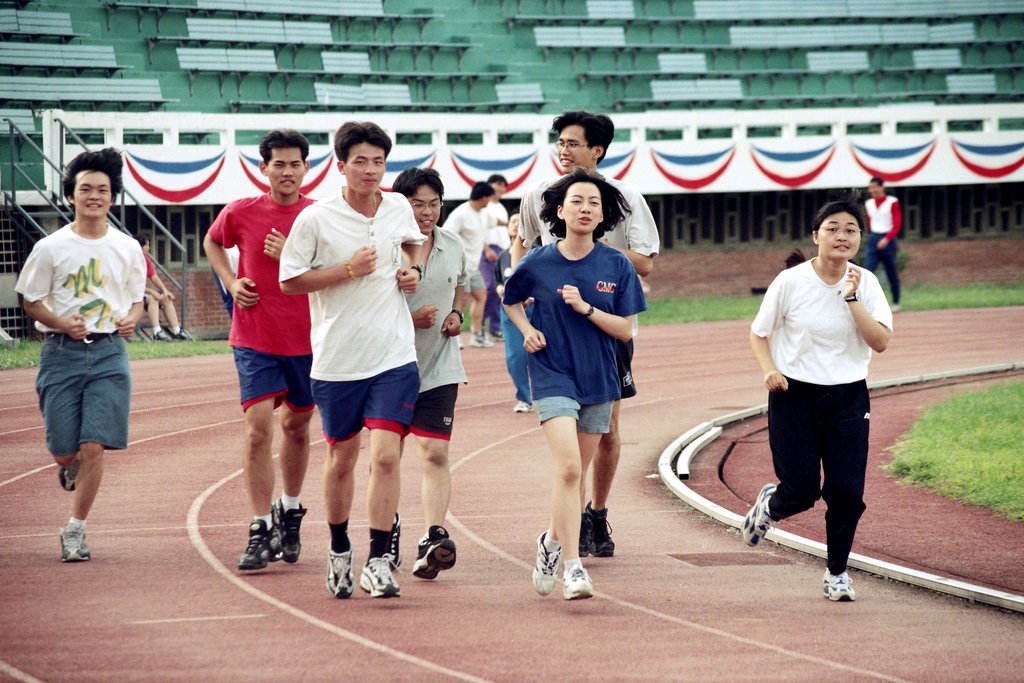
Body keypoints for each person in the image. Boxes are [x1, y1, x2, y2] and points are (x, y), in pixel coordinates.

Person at [279, 121, 425, 600]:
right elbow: (289, 281)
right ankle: (340, 547)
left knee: (385, 456)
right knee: (342, 459)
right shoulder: (316, 219)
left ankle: (379, 560)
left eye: (378, 161)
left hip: (393, 353)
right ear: (340, 166)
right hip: (339, 360)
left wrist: (412, 269)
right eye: (359, 161)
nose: (369, 170)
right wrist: (346, 270)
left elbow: (411, 241)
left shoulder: (399, 205)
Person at [514, 110, 660, 559]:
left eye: (573, 143)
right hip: (553, 326)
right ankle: (568, 528)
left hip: (604, 322)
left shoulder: (626, 197)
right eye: (559, 142)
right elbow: (523, 245)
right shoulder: (538, 194)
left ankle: (596, 512)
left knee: (608, 427)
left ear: (597, 150)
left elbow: (646, 261)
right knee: (565, 434)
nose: (563, 150)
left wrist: (590, 245)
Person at [502, 168, 647, 601]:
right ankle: (573, 566)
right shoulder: (539, 261)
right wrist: (526, 329)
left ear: (603, 215)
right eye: (577, 201)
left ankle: (549, 540)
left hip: (599, 377)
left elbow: (625, 329)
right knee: (568, 468)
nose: (585, 209)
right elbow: (510, 299)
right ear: (559, 211)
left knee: (575, 473)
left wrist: (586, 309)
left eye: (594, 204)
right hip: (552, 373)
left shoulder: (616, 264)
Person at [743, 192, 893, 602]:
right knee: (802, 491)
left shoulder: (867, 283)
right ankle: (772, 506)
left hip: (848, 396)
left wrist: (851, 298)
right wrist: (769, 369)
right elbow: (759, 333)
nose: (842, 236)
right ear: (816, 236)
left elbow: (879, 342)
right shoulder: (791, 282)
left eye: (851, 230)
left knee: (846, 492)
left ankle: (837, 573)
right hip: (795, 395)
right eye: (833, 229)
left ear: (859, 238)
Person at [15, 148, 147, 562]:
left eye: (102, 190)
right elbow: (31, 301)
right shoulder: (51, 247)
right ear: (70, 196)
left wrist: (131, 319)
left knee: (94, 447)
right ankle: (67, 465)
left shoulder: (127, 248)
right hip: (61, 353)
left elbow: (136, 300)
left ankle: (76, 529)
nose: (94, 196)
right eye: (85, 189)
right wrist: (59, 323)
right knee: (64, 450)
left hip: (109, 353)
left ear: (112, 197)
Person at [203, 129, 317, 572]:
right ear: (263, 168)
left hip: (308, 340)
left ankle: (290, 509)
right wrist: (231, 283)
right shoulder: (241, 211)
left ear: (307, 168)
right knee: (257, 431)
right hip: (254, 336)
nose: (287, 171)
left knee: (296, 427)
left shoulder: (319, 216)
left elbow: (337, 269)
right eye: (278, 164)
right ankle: (257, 526)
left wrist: (293, 255)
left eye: (295, 164)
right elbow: (213, 241)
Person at [392, 166, 467, 580]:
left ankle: (434, 535)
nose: (426, 212)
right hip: (392, 366)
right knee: (388, 457)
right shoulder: (389, 247)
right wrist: (410, 318)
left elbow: (461, 284)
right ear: (402, 204)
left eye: (434, 204)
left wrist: (457, 313)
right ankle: (386, 529)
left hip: (441, 365)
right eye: (417, 204)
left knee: (435, 452)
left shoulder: (453, 243)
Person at [442, 180, 497, 348]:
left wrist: (515, 222)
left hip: (474, 267)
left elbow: (494, 225)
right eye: (489, 197)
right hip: (459, 266)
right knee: (461, 301)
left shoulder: (484, 214)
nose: (490, 201)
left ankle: (477, 335)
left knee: (481, 296)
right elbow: (445, 235)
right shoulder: (460, 214)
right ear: (484, 197)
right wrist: (452, 262)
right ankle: (452, 337)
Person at [494, 211, 533, 413]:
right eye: (513, 221)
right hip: (510, 311)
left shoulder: (536, 252)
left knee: (541, 353)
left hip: (534, 308)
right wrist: (500, 288)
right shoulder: (502, 257)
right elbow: (498, 281)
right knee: (515, 357)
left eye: (520, 221)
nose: (516, 225)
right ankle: (524, 397)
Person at [135, 234, 188, 341]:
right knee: (153, 298)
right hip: (131, 294)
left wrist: (165, 290)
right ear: (139, 247)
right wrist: (152, 291)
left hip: (142, 292)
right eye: (146, 245)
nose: (148, 248)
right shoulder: (130, 260)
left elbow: (154, 277)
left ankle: (177, 330)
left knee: (165, 298)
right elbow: (131, 286)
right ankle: (156, 332)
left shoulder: (146, 260)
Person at [863, 177, 902, 312]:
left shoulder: (892, 202)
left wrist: (887, 239)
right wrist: (870, 236)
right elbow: (869, 222)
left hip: (888, 238)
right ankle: (865, 304)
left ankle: (896, 302)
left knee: (891, 272)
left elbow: (897, 223)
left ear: (881, 187)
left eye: (874, 187)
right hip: (873, 238)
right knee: (867, 272)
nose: (871, 190)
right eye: (870, 188)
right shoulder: (868, 203)